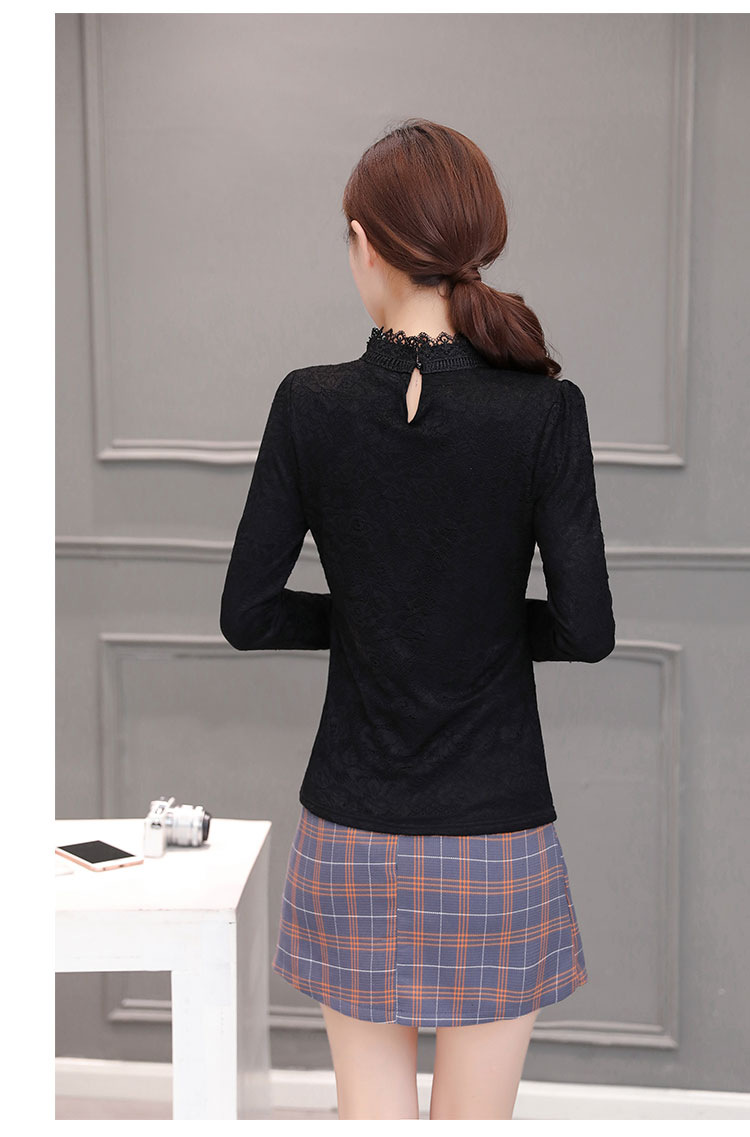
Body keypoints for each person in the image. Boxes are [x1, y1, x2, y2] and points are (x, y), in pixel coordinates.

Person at [220, 117, 616, 1120]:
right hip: (496, 833)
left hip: (350, 830)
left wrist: (371, 621)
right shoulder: (545, 412)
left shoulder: (307, 405)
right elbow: (588, 630)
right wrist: (473, 623)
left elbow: (247, 614)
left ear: (364, 241)